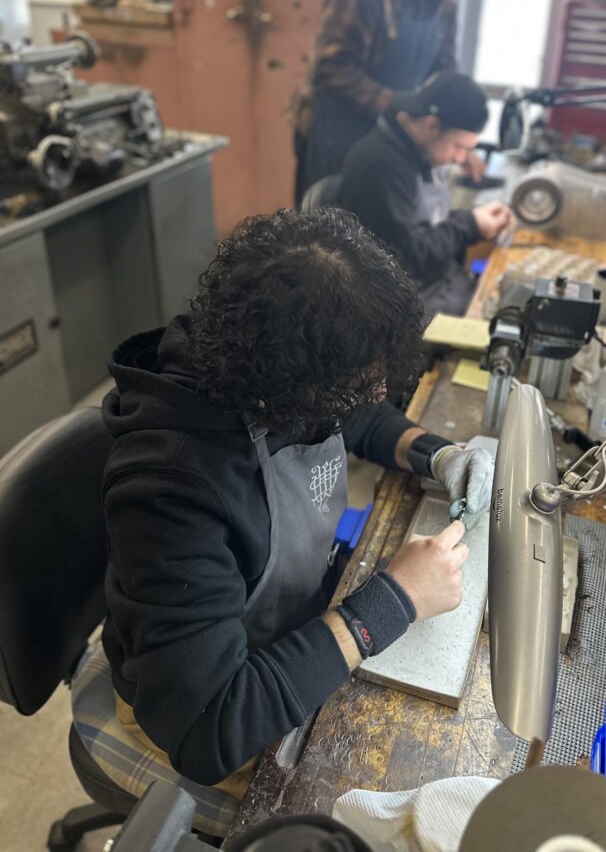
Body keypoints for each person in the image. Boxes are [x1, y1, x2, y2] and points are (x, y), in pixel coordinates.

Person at [73, 209, 494, 833]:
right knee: (369, 819)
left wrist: (436, 453)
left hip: (267, 634)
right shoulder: (172, 493)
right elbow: (209, 728)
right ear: (289, 394)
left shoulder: (256, 359)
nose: (368, 396)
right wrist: (394, 601)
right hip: (199, 708)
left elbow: (355, 415)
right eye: (356, 385)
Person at [292, 0, 511, 204]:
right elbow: (330, 69)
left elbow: (446, 75)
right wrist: (397, 105)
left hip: (386, 142)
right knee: (326, 243)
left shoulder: (444, 0)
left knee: (377, 244)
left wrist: (461, 141)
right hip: (338, 136)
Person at [338, 72, 513, 317]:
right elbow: (404, 258)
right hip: (395, 303)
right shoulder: (383, 166)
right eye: (459, 147)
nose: (460, 159)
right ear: (431, 125)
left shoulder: (418, 150)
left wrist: (472, 219)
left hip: (435, 284)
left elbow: (425, 224)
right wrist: (469, 225)